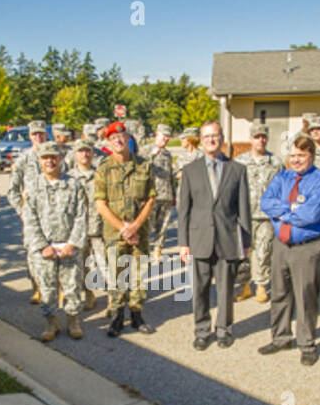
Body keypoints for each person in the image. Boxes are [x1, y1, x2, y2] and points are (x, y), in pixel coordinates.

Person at [258, 134, 320, 365]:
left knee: (305, 298)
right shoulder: (283, 177)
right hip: (281, 245)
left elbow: (311, 214)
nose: (295, 160)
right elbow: (265, 202)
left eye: (301, 156)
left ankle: (307, 344)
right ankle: (281, 337)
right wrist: (291, 208)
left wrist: (283, 214)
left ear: (311, 155)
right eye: (292, 156)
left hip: (308, 248)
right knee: (279, 294)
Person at [177, 121, 251, 349]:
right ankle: (201, 330)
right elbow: (184, 211)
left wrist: (246, 243)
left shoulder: (238, 170)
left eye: (215, 136)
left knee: (226, 290)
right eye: (207, 136)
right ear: (201, 139)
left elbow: (244, 209)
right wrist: (183, 243)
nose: (211, 140)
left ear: (222, 139)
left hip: (227, 239)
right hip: (199, 239)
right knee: (199, 290)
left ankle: (224, 329)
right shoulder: (190, 171)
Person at [94, 120, 156, 337]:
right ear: (108, 142)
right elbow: (100, 204)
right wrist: (123, 229)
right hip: (115, 234)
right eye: (113, 138)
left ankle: (137, 315)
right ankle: (117, 316)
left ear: (129, 139)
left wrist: (136, 226)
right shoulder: (103, 169)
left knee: (139, 275)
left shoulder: (144, 165)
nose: (118, 141)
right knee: (117, 274)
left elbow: (151, 198)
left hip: (140, 232)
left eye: (122, 137)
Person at [25, 142, 89, 341]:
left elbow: (81, 216)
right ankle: (51, 323)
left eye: (53, 157)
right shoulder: (33, 187)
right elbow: (29, 218)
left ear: (60, 159)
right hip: (45, 248)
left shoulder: (74, 185)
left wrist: (73, 243)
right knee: (47, 288)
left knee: (72, 286)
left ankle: (73, 321)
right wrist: (42, 246)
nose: (50, 161)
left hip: (69, 246)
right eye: (45, 158)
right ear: (40, 160)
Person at [234, 122, 283, 303]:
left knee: (264, 252)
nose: (260, 140)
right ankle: (244, 286)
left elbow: (283, 189)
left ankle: (261, 285)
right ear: (250, 139)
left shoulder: (276, 163)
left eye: (263, 137)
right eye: (257, 137)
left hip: (266, 217)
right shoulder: (239, 162)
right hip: (243, 216)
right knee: (242, 254)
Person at [8, 119, 51, 303]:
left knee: (55, 251)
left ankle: (56, 289)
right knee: (33, 252)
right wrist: (21, 211)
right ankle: (37, 288)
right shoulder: (24, 158)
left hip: (53, 213)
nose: (38, 137)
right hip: (32, 214)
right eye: (35, 134)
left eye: (41, 133)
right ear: (30, 136)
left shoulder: (55, 155)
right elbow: (12, 189)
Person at [68, 139, 106, 312]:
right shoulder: (68, 178)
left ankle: (114, 300)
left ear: (92, 153)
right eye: (80, 151)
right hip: (78, 231)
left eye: (88, 151)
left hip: (99, 229)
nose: (84, 154)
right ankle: (89, 295)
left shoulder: (101, 175)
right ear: (75, 154)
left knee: (106, 265)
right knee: (82, 266)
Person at [146, 124, 176, 255]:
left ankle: (158, 249)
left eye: (168, 137)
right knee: (147, 224)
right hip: (151, 194)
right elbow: (140, 170)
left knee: (163, 225)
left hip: (166, 194)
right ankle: (145, 248)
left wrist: (173, 194)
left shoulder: (167, 154)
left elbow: (170, 175)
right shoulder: (146, 150)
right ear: (157, 135)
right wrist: (151, 156)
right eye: (164, 136)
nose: (166, 139)